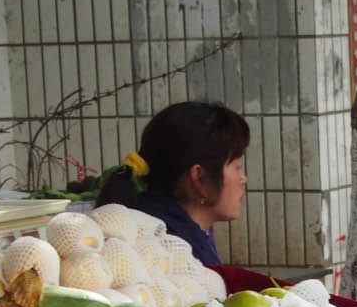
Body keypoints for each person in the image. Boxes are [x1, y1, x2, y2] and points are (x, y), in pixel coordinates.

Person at [95, 101, 251, 268]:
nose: (243, 178)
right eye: (237, 167)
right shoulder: (173, 251)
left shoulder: (176, 223)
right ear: (199, 177)